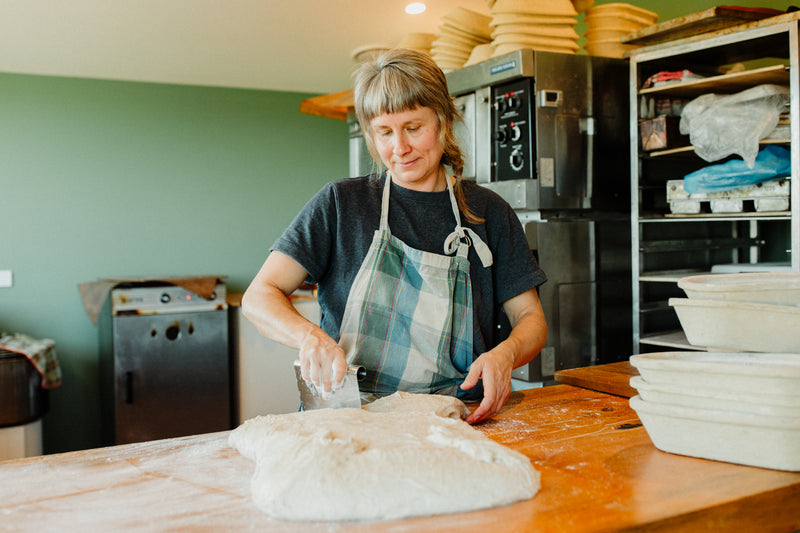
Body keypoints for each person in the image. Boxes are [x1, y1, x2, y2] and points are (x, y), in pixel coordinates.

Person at [242, 48, 547, 424]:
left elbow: (531, 319)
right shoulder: (341, 203)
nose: (399, 148)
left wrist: (506, 354)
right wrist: (310, 337)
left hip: (453, 419)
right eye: (384, 132)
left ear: (443, 120)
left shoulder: (489, 212)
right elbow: (259, 296)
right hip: (346, 419)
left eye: (413, 128)